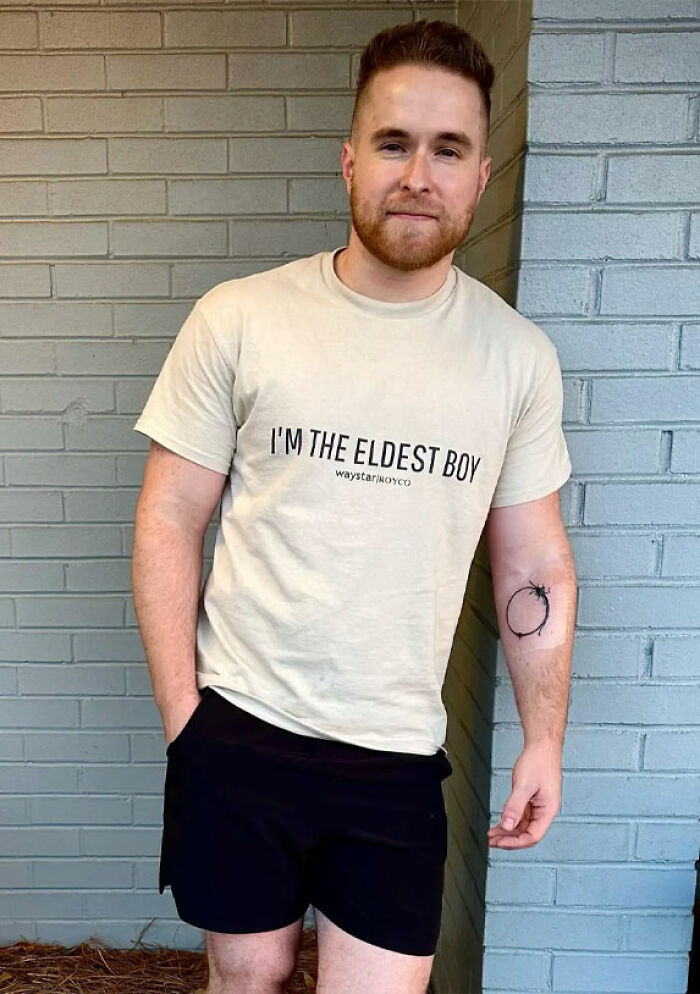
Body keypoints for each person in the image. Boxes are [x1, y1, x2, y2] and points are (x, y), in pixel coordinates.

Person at [131, 18, 577, 994]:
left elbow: (535, 563)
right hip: (240, 729)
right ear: (348, 160)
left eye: (447, 149)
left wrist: (544, 738)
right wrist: (184, 720)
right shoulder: (240, 319)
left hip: (395, 756)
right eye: (392, 142)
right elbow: (169, 516)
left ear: (481, 176)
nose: (417, 174)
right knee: (244, 979)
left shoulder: (515, 360)